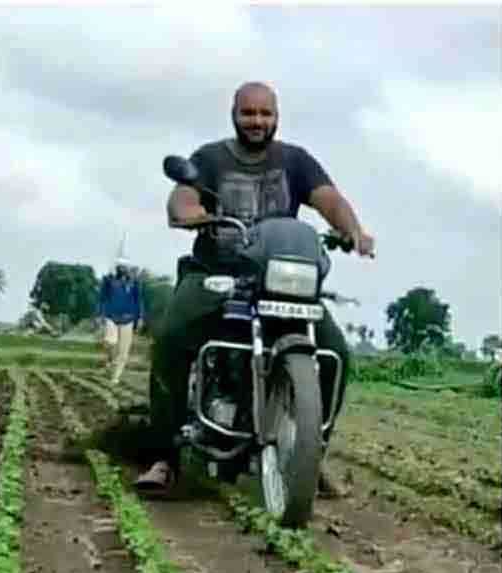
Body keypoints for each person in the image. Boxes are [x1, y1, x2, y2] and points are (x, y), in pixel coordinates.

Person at [135, 81, 375, 496]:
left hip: (278, 277)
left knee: (336, 352)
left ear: (276, 117)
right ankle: (164, 457)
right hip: (216, 271)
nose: (257, 121)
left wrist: (352, 229)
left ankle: (307, 455)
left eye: (265, 114)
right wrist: (191, 213)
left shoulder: (295, 161)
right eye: (249, 113)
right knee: (172, 338)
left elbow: (329, 199)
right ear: (234, 114)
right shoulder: (210, 158)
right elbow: (183, 198)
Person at [99, 258, 142, 386]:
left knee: (124, 351)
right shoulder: (109, 280)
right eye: (120, 267)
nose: (122, 269)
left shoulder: (134, 283)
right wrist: (99, 314)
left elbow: (139, 301)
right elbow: (102, 297)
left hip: (128, 318)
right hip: (111, 316)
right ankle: (110, 359)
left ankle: (115, 377)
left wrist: (140, 317)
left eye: (125, 267)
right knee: (110, 341)